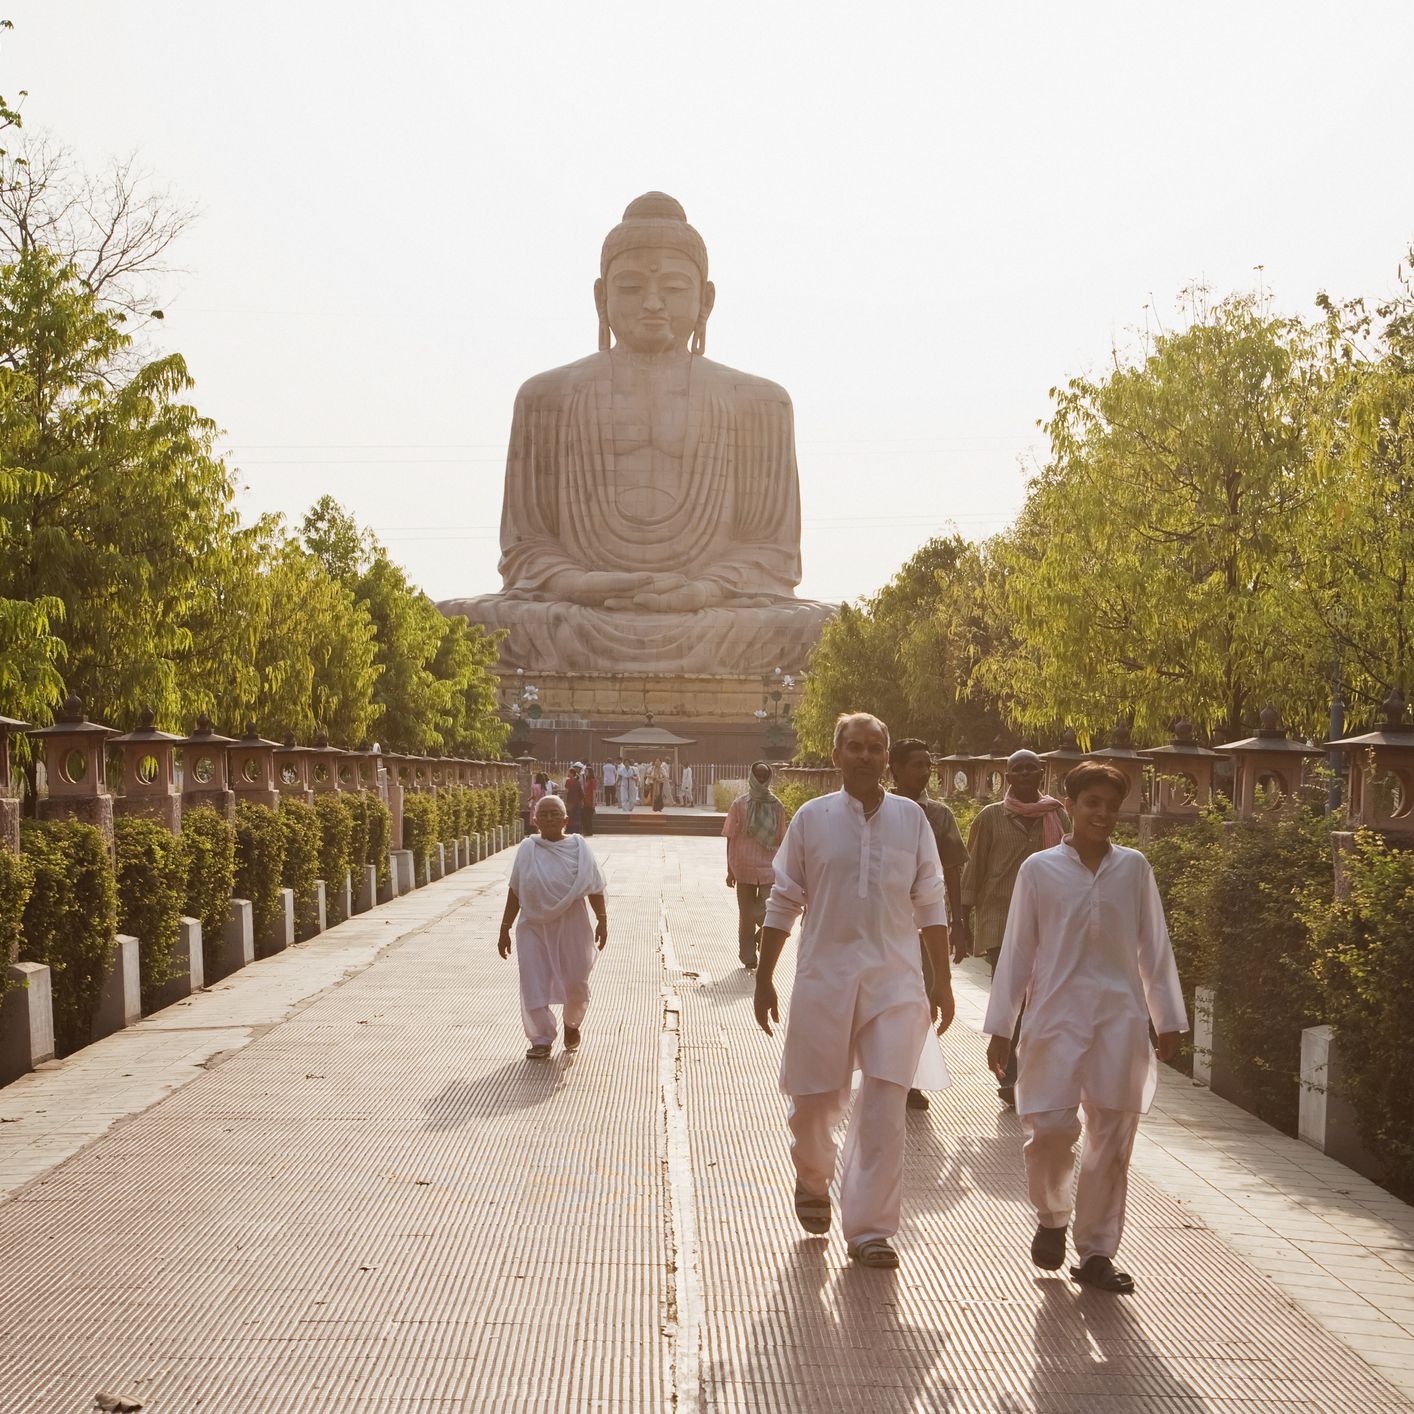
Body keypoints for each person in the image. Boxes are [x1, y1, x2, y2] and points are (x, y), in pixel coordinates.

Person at [754, 713, 953, 1270]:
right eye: (856, 747)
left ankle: (870, 1229)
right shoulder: (812, 821)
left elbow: (931, 901)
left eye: (876, 748)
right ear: (836, 755)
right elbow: (784, 898)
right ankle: (814, 1179)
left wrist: (940, 978)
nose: (866, 756)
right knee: (814, 1106)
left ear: (886, 758)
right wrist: (766, 975)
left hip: (895, 982)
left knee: (885, 1106)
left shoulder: (911, 820)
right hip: (825, 976)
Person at [984, 760, 1187, 1295]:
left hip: (1120, 1021)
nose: (1103, 813)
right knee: (1049, 1128)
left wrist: (1167, 1018)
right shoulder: (1039, 870)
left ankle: (1096, 1251)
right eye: (1092, 803)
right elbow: (1017, 951)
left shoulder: (1134, 869)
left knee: (1112, 1137)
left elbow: (1154, 947)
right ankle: (1053, 1216)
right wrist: (1002, 1025)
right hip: (1053, 1017)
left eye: (1111, 805)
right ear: (1068, 807)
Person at [956, 749, 1069, 1106]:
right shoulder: (990, 817)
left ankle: (1036, 1074)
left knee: (1042, 998)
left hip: (1048, 919)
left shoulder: (1057, 815)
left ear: (1041, 774)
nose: (1023, 775)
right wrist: (960, 922)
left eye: (1029, 769)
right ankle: (1012, 1077)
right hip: (999, 917)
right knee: (1012, 996)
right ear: (1007, 778)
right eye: (1016, 770)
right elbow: (973, 870)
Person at [889, 737, 970, 1113]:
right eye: (916, 764)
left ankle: (911, 1079)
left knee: (921, 997)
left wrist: (959, 920)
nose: (924, 772)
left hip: (925, 922)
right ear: (895, 769)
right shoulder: (879, 811)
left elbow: (952, 870)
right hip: (885, 922)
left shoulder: (938, 816)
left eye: (928, 765)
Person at [498, 794, 609, 1059]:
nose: (548, 818)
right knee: (533, 981)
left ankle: (572, 1024)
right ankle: (541, 1038)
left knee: (576, 982)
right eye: (543, 814)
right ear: (534, 820)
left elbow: (594, 886)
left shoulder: (580, 848)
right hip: (533, 925)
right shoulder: (527, 850)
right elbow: (516, 889)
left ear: (566, 820)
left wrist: (602, 920)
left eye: (554, 814)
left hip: (573, 925)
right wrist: (505, 927)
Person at [722, 761, 788, 970]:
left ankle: (763, 936)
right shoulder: (739, 805)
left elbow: (781, 839)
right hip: (742, 866)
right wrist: (729, 869)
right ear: (751, 776)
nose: (760, 780)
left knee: (769, 910)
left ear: (768, 778)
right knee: (746, 915)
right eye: (757, 776)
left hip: (768, 867)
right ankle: (748, 956)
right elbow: (730, 837)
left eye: (764, 776)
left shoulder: (777, 806)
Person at [564, 764, 585, 835]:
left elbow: (566, 792)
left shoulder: (568, 781)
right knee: (576, 816)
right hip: (577, 802)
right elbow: (581, 793)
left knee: (569, 816)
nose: (567, 773)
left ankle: (569, 829)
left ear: (571, 773)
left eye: (569, 772)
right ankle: (576, 830)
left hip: (570, 802)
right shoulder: (578, 782)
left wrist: (564, 801)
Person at [582, 767, 598, 836]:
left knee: (588, 817)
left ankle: (589, 831)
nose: (585, 773)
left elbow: (594, 792)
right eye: (585, 771)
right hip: (585, 801)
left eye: (586, 771)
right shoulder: (586, 780)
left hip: (590, 801)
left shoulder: (592, 780)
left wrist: (593, 803)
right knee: (584, 817)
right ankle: (586, 831)